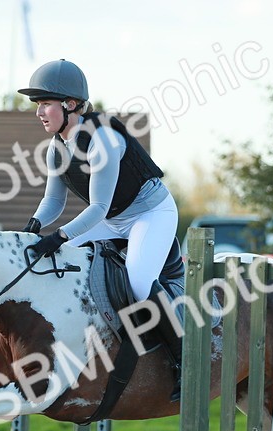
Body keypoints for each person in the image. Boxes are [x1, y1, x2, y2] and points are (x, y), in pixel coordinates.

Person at [17, 59, 183, 400]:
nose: (39, 112)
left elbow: (98, 209)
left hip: (151, 213)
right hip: (113, 218)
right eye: (38, 105)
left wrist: (59, 235)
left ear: (71, 104)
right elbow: (54, 201)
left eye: (45, 103)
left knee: (138, 279)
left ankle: (184, 358)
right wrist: (33, 227)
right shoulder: (56, 148)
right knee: (60, 256)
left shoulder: (103, 140)